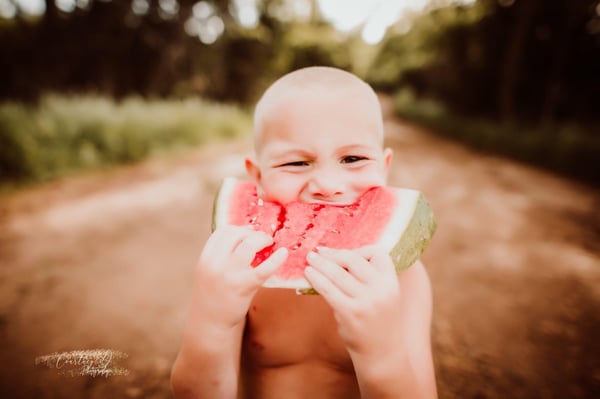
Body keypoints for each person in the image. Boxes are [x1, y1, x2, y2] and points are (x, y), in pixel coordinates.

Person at [170, 66, 438, 399]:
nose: (327, 185)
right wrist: (211, 323)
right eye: (296, 163)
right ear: (257, 176)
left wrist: (381, 352)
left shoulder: (405, 281)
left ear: (384, 167)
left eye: (353, 158)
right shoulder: (243, 270)